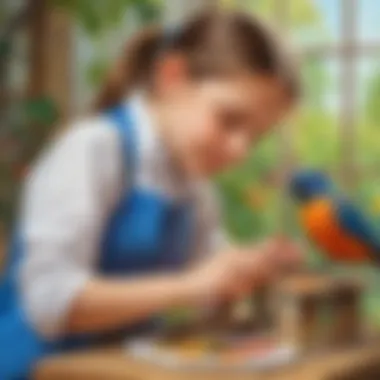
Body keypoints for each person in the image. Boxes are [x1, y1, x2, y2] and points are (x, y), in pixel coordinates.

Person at [0, 10, 302, 379]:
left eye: (255, 137)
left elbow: (209, 283)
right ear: (171, 77)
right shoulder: (94, 149)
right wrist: (193, 286)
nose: (239, 150)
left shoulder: (196, 189)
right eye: (229, 120)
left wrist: (247, 267)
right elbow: (50, 305)